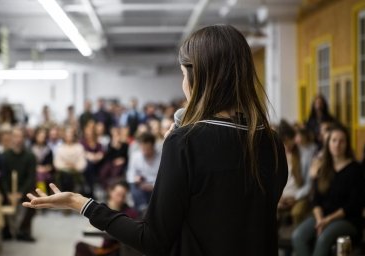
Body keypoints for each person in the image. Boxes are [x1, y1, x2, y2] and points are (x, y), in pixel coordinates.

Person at [23, 25, 288, 256]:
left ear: (199, 79)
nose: (183, 84)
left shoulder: (185, 142)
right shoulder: (271, 142)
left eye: (184, 75)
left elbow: (152, 240)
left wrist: (81, 204)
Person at [292, 125, 364, 256]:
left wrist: (328, 220)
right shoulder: (323, 168)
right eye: (334, 140)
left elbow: (354, 205)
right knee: (298, 236)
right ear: (328, 143)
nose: (337, 144)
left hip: (348, 220)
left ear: (347, 144)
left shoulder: (356, 169)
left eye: (342, 141)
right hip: (322, 217)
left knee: (323, 237)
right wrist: (320, 220)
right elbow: (316, 200)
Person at [74, 180, 138, 256]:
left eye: (123, 196)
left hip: (116, 249)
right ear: (110, 191)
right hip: (102, 245)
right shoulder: (101, 208)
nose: (120, 198)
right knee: (80, 246)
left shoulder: (130, 212)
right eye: (118, 194)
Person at [1, 127, 37, 241]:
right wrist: (8, 193)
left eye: (20, 136)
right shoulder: (4, 156)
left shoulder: (30, 156)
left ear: (24, 138)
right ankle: (5, 230)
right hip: (8, 190)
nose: (18, 139)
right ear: (11, 138)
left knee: (35, 200)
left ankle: (23, 231)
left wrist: (20, 193)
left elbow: (30, 178)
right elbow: (3, 178)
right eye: (15, 136)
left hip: (23, 190)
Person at [277, 121, 310, 226]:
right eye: (283, 142)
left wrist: (295, 197)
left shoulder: (304, 155)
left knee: (297, 212)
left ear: (293, 139)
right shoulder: (277, 155)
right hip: (281, 196)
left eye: (288, 141)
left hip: (298, 195)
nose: (286, 146)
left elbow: (309, 184)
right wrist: (278, 196)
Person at [126, 132, 161, 212]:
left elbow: (164, 177)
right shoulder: (136, 156)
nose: (144, 151)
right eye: (142, 148)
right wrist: (136, 178)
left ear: (152, 146)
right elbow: (130, 174)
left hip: (156, 186)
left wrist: (152, 186)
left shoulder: (161, 157)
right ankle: (142, 210)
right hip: (141, 185)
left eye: (147, 149)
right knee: (133, 186)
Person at [54, 127, 86, 193]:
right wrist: (67, 166)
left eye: (71, 135)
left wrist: (75, 166)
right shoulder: (60, 148)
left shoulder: (79, 147)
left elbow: (82, 162)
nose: (69, 137)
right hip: (63, 174)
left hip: (76, 173)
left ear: (74, 136)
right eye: (67, 135)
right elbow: (57, 163)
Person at [81, 122, 104, 198]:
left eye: (91, 133)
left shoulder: (98, 143)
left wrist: (96, 157)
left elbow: (101, 153)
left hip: (97, 163)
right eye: (87, 133)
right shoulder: (82, 142)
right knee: (89, 166)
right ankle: (90, 189)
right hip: (87, 164)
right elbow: (83, 153)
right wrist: (91, 156)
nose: (89, 135)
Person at [31, 128, 54, 195]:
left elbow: (51, 165)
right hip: (34, 172)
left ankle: (43, 195)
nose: (42, 138)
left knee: (43, 176)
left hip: (46, 173)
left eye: (43, 137)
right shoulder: (31, 149)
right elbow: (30, 165)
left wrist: (44, 169)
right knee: (38, 175)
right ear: (36, 136)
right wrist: (37, 168)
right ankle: (41, 195)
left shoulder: (48, 150)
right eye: (40, 136)